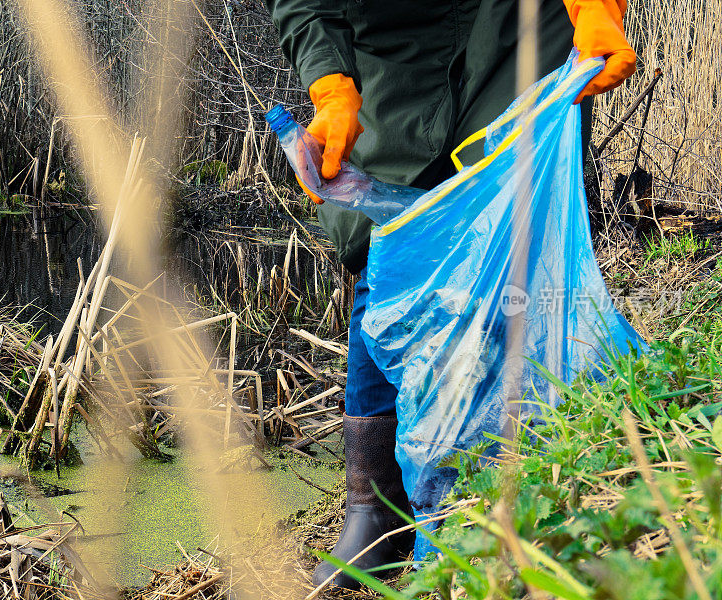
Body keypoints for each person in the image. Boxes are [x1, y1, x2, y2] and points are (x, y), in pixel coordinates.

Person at [265, 0, 635, 590]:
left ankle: (503, 476)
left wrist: (596, 7)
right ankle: (374, 506)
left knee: (510, 238)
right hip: (389, 52)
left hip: (514, 31)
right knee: (388, 247)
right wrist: (333, 89)